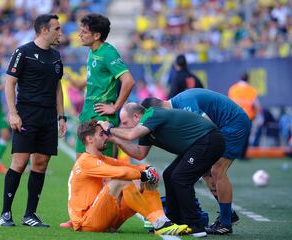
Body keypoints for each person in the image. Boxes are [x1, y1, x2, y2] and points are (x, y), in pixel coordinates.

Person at [98, 103, 226, 237]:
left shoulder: (152, 114)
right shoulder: (145, 128)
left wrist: (111, 128)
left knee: (179, 178)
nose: (123, 126)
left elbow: (131, 135)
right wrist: (115, 140)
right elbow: (139, 153)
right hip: (198, 144)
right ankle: (174, 220)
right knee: (169, 175)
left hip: (209, 139)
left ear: (136, 116)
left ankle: (195, 225)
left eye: (124, 122)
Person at [141, 88, 251, 234]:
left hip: (233, 122)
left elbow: (206, 126)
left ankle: (226, 222)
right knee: (205, 170)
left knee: (217, 170)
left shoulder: (185, 103)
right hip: (222, 125)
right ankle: (228, 214)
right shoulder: (176, 107)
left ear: (156, 111)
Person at [0, 14, 67, 227]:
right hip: (26, 114)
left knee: (41, 163)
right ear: (44, 30)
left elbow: (57, 88)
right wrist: (13, 113)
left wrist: (61, 116)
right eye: (57, 29)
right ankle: (5, 214)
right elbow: (10, 84)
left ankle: (30, 215)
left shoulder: (56, 56)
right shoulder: (23, 52)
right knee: (19, 162)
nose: (60, 33)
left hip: (48, 118)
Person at [68, 120, 189, 236]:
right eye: (101, 134)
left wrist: (147, 168)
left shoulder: (102, 159)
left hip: (103, 218)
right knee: (120, 180)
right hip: (87, 223)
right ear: (89, 139)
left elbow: (132, 167)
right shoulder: (86, 161)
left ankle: (162, 221)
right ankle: (157, 222)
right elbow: (122, 172)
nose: (106, 137)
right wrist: (144, 174)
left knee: (143, 180)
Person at [76, 13, 135, 158]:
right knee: (81, 164)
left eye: (84, 32)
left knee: (104, 167)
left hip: (102, 115)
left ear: (96, 36)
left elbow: (128, 81)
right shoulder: (92, 51)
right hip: (88, 111)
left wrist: (115, 107)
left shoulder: (108, 53)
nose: (79, 35)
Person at [228, 72, 260, 158]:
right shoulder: (252, 90)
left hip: (235, 116)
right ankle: (243, 155)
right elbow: (256, 105)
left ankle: (233, 154)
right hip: (248, 116)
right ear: (248, 79)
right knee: (245, 136)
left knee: (235, 135)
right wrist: (256, 114)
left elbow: (229, 103)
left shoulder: (233, 88)